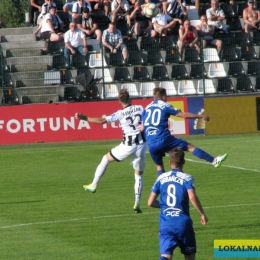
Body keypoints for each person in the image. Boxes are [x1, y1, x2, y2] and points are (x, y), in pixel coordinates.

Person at [75, 89, 146, 214]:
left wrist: (84, 118)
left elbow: (102, 121)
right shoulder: (140, 108)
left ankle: (94, 184)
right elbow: (147, 122)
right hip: (141, 146)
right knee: (138, 176)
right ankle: (137, 203)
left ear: (119, 101)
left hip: (127, 146)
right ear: (130, 99)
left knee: (105, 159)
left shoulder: (120, 113)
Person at [141, 87, 228, 176]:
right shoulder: (165, 105)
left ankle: (163, 186)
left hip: (151, 143)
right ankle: (214, 161)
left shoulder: (146, 108)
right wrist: (200, 116)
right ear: (163, 97)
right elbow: (184, 115)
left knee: (159, 165)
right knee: (189, 147)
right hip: (163, 138)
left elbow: (142, 128)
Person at [148, 148, 208, 260]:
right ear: (184, 161)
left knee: (166, 256)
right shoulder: (186, 178)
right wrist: (202, 214)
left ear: (170, 162)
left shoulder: (161, 178)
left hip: (166, 224)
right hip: (183, 224)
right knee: (189, 256)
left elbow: (150, 202)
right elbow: (192, 196)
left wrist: (166, 205)